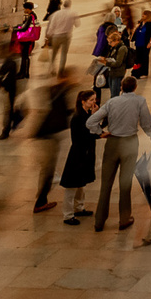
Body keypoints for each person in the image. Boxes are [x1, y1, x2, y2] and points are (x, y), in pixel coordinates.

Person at [86, 74, 151, 232]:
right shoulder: (140, 101)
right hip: (130, 143)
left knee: (106, 184)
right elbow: (146, 123)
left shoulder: (112, 102)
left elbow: (90, 121)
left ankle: (99, 221)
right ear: (135, 88)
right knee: (125, 183)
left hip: (112, 143)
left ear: (121, 87)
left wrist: (100, 132)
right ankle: (124, 219)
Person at [32, 75, 74, 213]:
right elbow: (65, 112)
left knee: (47, 169)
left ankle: (41, 197)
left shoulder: (55, 90)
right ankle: (40, 201)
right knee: (48, 169)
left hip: (45, 134)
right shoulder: (62, 92)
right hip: (49, 135)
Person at [59, 88, 99, 225]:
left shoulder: (85, 115)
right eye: (92, 100)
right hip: (78, 155)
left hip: (84, 154)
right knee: (72, 186)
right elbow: (87, 134)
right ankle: (68, 214)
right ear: (83, 102)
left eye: (95, 99)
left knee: (81, 184)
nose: (94, 102)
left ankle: (79, 207)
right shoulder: (78, 117)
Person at [0, 52, 23, 139]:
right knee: (9, 110)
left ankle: (6, 130)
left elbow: (7, 77)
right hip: (10, 89)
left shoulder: (10, 63)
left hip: (9, 89)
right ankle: (8, 127)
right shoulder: (11, 62)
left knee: (8, 110)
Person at [97, 29, 130, 100]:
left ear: (116, 41)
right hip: (112, 73)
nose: (109, 44)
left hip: (117, 73)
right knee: (112, 92)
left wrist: (107, 63)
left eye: (110, 42)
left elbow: (118, 63)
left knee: (114, 94)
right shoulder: (114, 47)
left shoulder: (122, 49)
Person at [47, 0, 77, 74]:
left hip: (56, 36)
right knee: (64, 53)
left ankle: (52, 68)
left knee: (54, 53)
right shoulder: (73, 13)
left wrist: (48, 36)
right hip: (66, 36)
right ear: (70, 5)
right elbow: (77, 24)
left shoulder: (56, 14)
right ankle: (61, 68)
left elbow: (52, 26)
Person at [131, 9, 151, 79]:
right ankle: (137, 72)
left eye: (144, 15)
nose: (142, 16)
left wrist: (150, 43)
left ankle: (144, 72)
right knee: (138, 57)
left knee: (144, 57)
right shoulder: (140, 23)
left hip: (145, 43)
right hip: (138, 42)